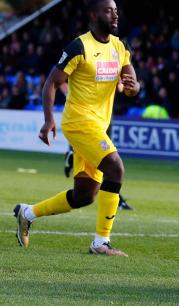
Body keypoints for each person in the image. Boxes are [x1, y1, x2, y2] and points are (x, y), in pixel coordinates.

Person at [13, 0, 139, 256]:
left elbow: (133, 83)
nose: (114, 14)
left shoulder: (120, 46)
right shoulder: (79, 46)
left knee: (85, 196)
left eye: (116, 9)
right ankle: (101, 243)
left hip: (98, 127)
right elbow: (51, 83)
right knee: (115, 167)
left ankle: (27, 213)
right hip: (79, 121)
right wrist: (49, 120)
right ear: (94, 15)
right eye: (108, 9)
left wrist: (133, 87)